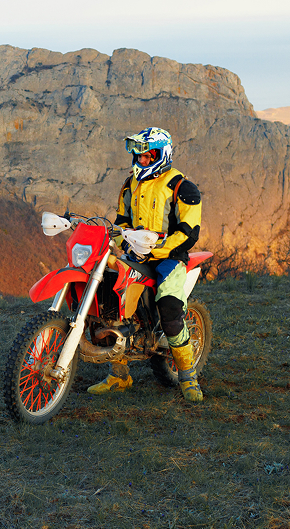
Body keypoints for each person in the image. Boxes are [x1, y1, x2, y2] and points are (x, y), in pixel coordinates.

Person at [88, 127, 205, 402]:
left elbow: (189, 233)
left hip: (170, 258)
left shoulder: (182, 187)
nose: (141, 160)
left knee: (170, 307)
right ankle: (119, 374)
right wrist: (122, 239)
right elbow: (122, 221)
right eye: (138, 155)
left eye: (147, 155)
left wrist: (155, 247)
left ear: (162, 155)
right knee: (108, 297)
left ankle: (188, 376)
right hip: (134, 255)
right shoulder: (130, 184)